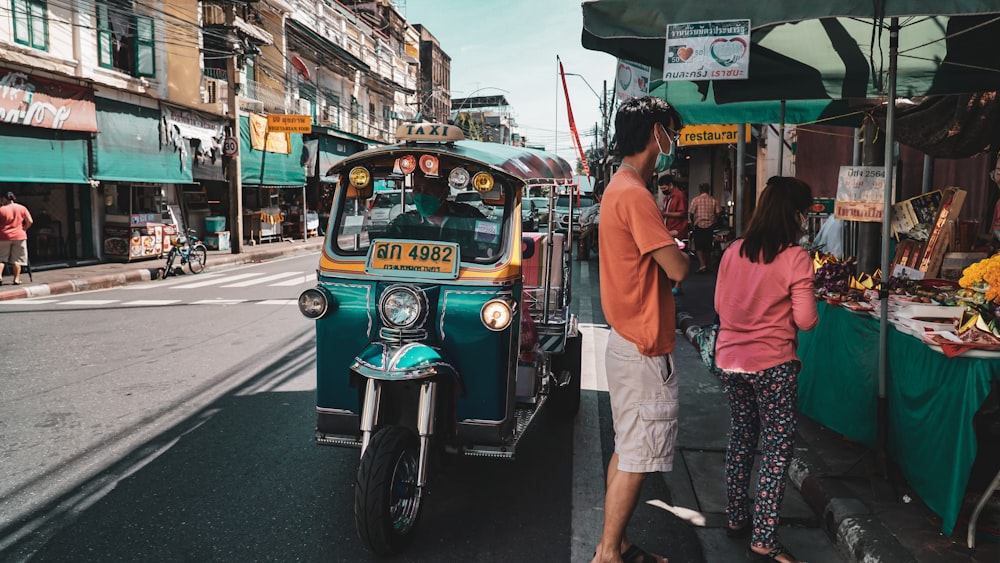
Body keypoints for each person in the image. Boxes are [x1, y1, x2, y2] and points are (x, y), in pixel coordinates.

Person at [592, 96, 689, 563]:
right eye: (672, 131)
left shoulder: (620, 187)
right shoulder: (635, 193)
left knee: (627, 449)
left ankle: (617, 543)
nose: (675, 142)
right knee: (635, 456)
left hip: (627, 338)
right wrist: (683, 253)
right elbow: (677, 269)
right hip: (643, 344)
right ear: (656, 133)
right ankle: (608, 553)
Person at [713, 176, 819, 563]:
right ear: (794, 214)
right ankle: (764, 537)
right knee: (776, 447)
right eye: (805, 213)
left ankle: (737, 517)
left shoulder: (733, 250)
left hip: (729, 360)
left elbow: (722, 307)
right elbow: (806, 321)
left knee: (742, 435)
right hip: (773, 364)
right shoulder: (796, 257)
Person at [386, 173, 493, 257]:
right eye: (417, 189)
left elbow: (493, 244)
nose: (422, 195)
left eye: (429, 190)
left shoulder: (470, 216)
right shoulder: (403, 222)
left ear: (445, 193)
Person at [659, 175, 688, 295]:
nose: (663, 190)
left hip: (678, 230)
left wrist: (665, 213)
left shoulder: (679, 195)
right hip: (669, 230)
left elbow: (682, 213)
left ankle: (678, 284)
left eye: (664, 187)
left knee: (677, 257)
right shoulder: (667, 198)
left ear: (671, 185)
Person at [0, 191, 33, 285]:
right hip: (19, 235)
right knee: (17, 259)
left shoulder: (1, 209)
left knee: (1, 258)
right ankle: (16, 279)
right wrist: (24, 228)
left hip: (3, 236)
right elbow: (30, 221)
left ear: (4, 199)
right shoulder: (22, 208)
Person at [688, 183, 721, 273]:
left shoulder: (696, 200)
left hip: (698, 224)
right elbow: (718, 212)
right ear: (708, 190)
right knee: (707, 246)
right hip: (710, 225)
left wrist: (692, 221)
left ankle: (702, 264)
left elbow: (691, 212)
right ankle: (704, 264)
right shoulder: (713, 200)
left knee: (698, 245)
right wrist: (715, 219)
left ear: (700, 190)